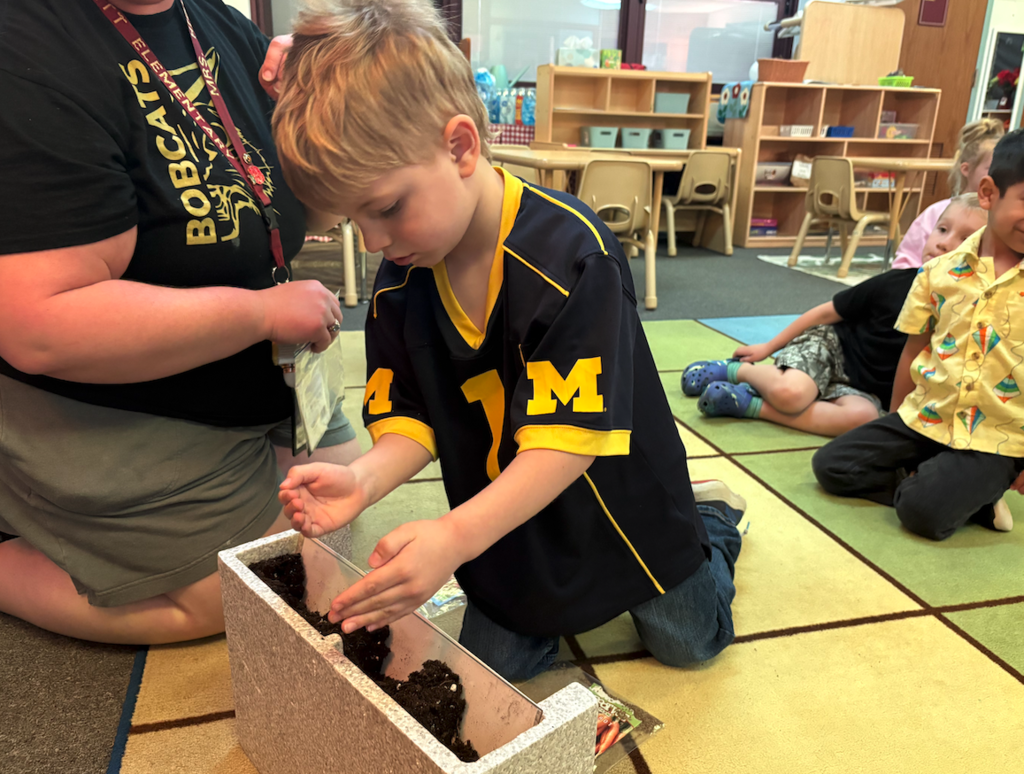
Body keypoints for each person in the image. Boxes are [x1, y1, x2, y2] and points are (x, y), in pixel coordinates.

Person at [271, 0, 745, 682]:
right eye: (354, 221)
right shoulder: (402, 279)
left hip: (621, 510)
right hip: (510, 529)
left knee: (691, 643)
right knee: (484, 675)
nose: (374, 242)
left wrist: (452, 536)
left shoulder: (570, 256)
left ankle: (713, 524)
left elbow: (566, 445)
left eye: (385, 209)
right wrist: (362, 480)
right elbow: (410, 420)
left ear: (460, 146)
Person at [0, 0, 361, 645]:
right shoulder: (28, 44)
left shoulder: (219, 28)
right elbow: (39, 326)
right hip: (107, 399)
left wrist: (318, 106)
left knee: (344, 514)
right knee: (248, 591)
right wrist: (257, 312)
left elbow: (316, 210)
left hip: (256, 364)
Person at [810, 131, 1024, 541]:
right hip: (927, 417)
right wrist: (894, 421)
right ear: (987, 193)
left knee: (922, 512)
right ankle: (959, 493)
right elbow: (913, 350)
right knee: (831, 465)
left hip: (996, 439)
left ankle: (963, 489)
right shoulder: (938, 272)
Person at [680, 195, 987, 437]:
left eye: (964, 239)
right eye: (942, 230)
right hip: (832, 348)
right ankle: (737, 372)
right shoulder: (895, 283)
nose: (944, 242)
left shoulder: (973, 314)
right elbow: (825, 312)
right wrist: (766, 348)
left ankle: (748, 405)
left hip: (863, 389)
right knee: (791, 394)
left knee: (863, 418)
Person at [891, 118, 1004, 270]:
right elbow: (906, 261)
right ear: (966, 169)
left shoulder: (1001, 219)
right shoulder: (936, 212)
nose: (1001, 177)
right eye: (992, 169)